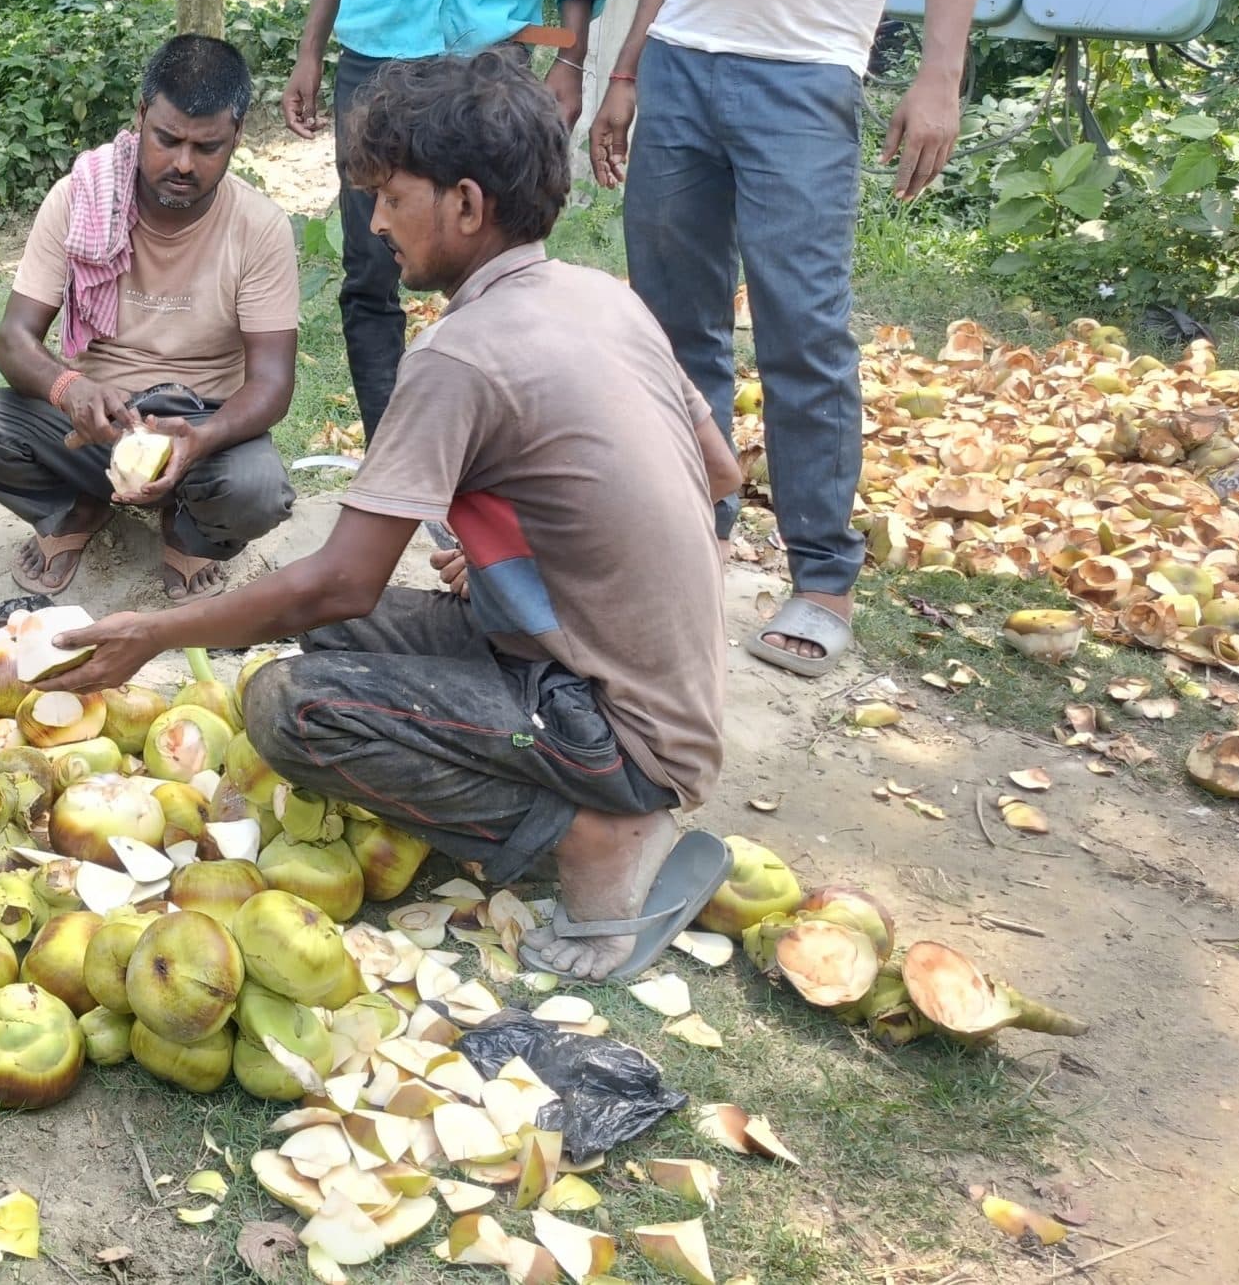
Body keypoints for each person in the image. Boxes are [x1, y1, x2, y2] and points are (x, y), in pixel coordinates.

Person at [44, 52, 739, 981]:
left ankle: (590, 834)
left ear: (466, 204)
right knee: (328, 637)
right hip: (657, 689)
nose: (373, 222)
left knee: (290, 705)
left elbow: (340, 581)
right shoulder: (602, 296)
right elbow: (718, 474)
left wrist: (154, 633)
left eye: (390, 197)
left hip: (619, 727)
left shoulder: (459, 355)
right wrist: (539, 560)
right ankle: (582, 782)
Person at [589, 0, 985, 677]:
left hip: (809, 73)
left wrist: (941, 77)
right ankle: (694, 537)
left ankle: (823, 579)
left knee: (802, 329)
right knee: (672, 323)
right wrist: (626, 68)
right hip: (680, 60)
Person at [0, 34, 299, 601]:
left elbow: (272, 384)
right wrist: (69, 389)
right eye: (167, 139)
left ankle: (188, 530)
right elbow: (13, 340)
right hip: (93, 424)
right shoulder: (79, 198)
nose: (183, 163)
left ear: (237, 135)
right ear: (141, 116)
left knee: (258, 492)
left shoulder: (260, 226)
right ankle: (75, 507)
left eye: (207, 147)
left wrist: (201, 440)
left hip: (201, 425)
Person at [281, 0, 614, 440]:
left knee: (495, 264)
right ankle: (393, 459)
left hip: (492, 54)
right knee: (371, 268)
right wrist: (311, 49)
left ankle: (489, 455)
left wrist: (571, 57)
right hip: (376, 46)